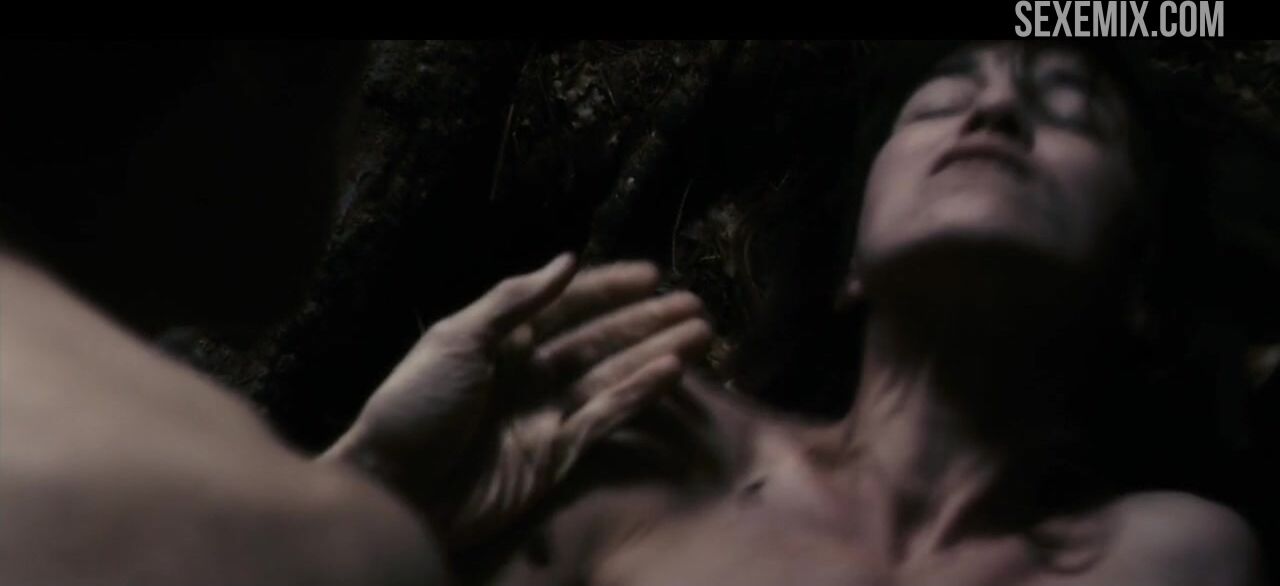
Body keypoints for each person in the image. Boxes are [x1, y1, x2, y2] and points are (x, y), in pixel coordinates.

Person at [473, 41, 1269, 586]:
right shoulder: (649, 444)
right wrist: (400, 474)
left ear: (1139, 288)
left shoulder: (1175, 555)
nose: (995, 109)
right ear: (850, 261)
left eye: (1070, 112)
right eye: (941, 102)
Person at [0, 40, 713, 585]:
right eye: (352, 75)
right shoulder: (306, 537)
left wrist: (372, 474)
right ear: (268, 73)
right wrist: (333, 531)